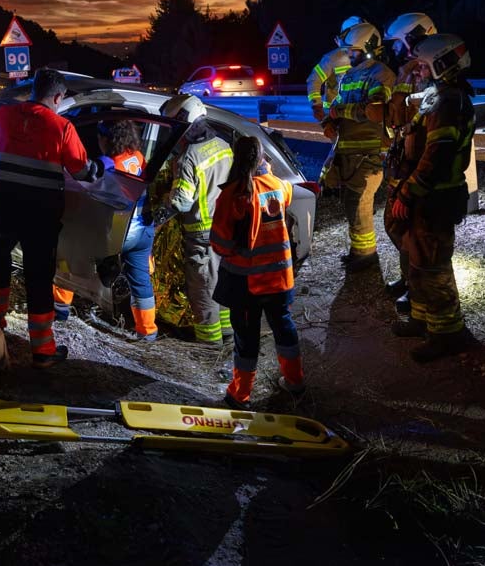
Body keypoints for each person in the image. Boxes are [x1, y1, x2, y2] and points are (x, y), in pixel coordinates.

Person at [0, 68, 93, 367]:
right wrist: (99, 166)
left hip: (0, 207)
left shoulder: (1, 115)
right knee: (39, 278)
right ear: (57, 96)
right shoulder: (62, 127)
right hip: (40, 216)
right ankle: (42, 350)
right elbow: (81, 170)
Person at [387, 34, 476, 362]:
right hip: (426, 196)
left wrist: (408, 193)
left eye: (423, 65)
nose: (418, 71)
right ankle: (424, 320)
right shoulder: (437, 96)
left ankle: (448, 333)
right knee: (419, 261)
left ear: (443, 63)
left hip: (435, 198)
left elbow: (435, 157)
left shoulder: (449, 101)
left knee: (433, 266)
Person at [210, 135, 303, 410]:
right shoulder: (278, 187)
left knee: (246, 340)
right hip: (280, 280)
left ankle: (240, 395)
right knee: (284, 330)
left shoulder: (232, 195)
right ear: (263, 158)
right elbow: (283, 193)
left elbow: (220, 244)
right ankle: (296, 383)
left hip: (246, 284)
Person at [52, 119, 158, 341]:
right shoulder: (137, 157)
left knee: (67, 256)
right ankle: (147, 333)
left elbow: (92, 199)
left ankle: (59, 310)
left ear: (106, 139)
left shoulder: (110, 165)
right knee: (140, 280)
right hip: (142, 229)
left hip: (119, 231)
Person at [154, 94, 233, 346]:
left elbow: (182, 201)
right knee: (222, 282)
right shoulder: (223, 145)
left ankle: (210, 345)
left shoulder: (189, 157)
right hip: (226, 227)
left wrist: (159, 214)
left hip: (202, 234)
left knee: (203, 290)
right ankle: (228, 332)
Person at [326, 22, 395, 270]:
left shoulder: (381, 74)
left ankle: (367, 257)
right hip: (350, 152)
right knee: (351, 204)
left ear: (367, 48)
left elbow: (375, 112)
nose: (349, 55)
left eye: (352, 51)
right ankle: (360, 251)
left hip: (370, 154)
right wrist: (330, 120)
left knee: (360, 204)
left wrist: (340, 111)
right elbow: (340, 106)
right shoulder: (352, 75)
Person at [381, 13, 438, 311]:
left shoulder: (431, 69)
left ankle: (416, 285)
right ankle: (408, 278)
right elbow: (397, 111)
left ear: (414, 38)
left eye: (400, 43)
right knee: (394, 222)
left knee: (414, 229)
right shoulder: (406, 70)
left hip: (417, 160)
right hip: (402, 156)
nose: (396, 50)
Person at [306, 16, 363, 122]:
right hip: (336, 114)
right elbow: (314, 79)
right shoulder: (332, 58)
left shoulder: (370, 56)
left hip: (360, 112)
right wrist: (316, 105)